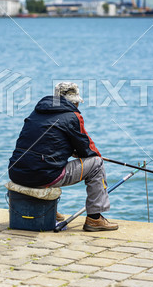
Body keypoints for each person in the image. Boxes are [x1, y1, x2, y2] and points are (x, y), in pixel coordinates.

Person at [8, 82, 118, 232]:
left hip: (16, 171)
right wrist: (91, 154)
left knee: (41, 164)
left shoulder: (36, 112)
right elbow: (87, 150)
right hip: (44, 176)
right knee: (97, 164)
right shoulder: (73, 117)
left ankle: (51, 210)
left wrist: (68, 150)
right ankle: (95, 219)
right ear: (75, 101)